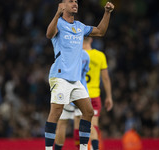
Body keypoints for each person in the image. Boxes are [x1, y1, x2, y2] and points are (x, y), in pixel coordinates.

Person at [45, 0, 114, 150]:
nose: (75, 3)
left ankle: (83, 148)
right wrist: (57, 14)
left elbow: (100, 31)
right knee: (56, 112)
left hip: (75, 80)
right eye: (71, 1)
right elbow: (49, 34)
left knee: (88, 112)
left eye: (76, 1)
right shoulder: (58, 23)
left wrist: (107, 13)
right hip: (60, 76)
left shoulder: (80, 27)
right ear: (62, 5)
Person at [54, 49, 90, 150]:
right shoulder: (85, 55)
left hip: (67, 91)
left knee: (62, 124)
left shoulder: (64, 53)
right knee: (79, 122)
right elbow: (85, 72)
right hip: (81, 91)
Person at [82, 37, 114, 150]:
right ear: (90, 40)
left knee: (81, 126)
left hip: (79, 96)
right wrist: (109, 97)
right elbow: (105, 78)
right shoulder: (100, 56)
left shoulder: (76, 55)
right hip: (94, 96)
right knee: (93, 125)